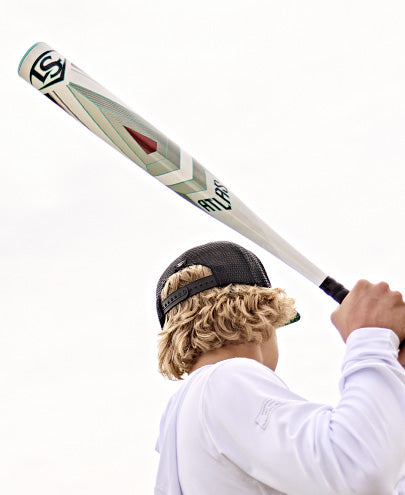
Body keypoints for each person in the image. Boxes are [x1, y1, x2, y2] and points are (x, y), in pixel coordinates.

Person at [154, 241, 405, 495]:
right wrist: (372, 336)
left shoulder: (180, 423)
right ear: (263, 311)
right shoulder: (223, 380)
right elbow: (357, 469)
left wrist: (390, 379)